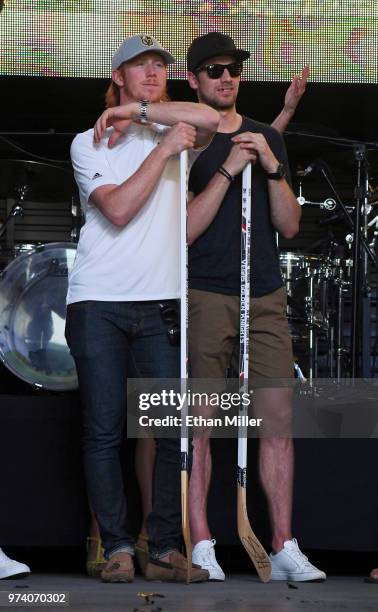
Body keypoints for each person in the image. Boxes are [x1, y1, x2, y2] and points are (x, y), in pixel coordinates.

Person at [66, 33, 220, 583]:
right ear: (118, 76)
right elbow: (122, 210)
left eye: (159, 66)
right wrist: (161, 147)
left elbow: (214, 116)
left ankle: (161, 548)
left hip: (155, 308)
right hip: (99, 304)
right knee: (105, 430)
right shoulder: (90, 144)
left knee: (172, 430)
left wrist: (142, 114)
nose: (153, 72)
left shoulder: (172, 125)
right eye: (139, 67)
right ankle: (116, 548)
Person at [183, 32, 326, 582]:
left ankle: (284, 545)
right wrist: (228, 167)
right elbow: (184, 229)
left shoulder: (267, 137)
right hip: (206, 291)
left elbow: (289, 225)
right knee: (199, 420)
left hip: (263, 293)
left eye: (234, 69)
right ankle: (201, 544)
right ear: (194, 78)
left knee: (278, 419)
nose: (226, 77)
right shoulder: (186, 139)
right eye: (214, 70)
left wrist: (269, 163)